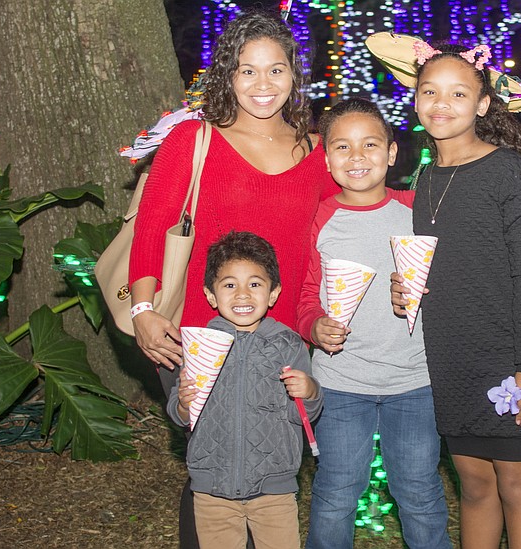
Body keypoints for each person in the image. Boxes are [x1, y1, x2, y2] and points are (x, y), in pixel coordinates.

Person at [126, 11, 338, 547]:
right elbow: (150, 232)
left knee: (270, 466)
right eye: (247, 71)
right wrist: (143, 311)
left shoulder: (315, 151)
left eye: (276, 70)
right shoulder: (192, 142)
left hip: (282, 340)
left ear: (294, 75)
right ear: (228, 76)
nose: (262, 85)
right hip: (201, 338)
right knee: (214, 464)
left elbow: (350, 216)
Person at [387, 42, 521, 548]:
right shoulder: (424, 179)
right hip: (453, 357)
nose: (441, 104)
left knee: (517, 484)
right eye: (430, 92)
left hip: (513, 354)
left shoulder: (506, 170)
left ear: (482, 105)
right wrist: (407, 289)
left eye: (457, 94)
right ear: (416, 99)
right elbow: (442, 263)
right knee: (475, 485)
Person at [296, 98, 451, 549]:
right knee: (337, 492)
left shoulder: (417, 210)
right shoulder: (320, 219)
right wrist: (314, 325)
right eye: (342, 147)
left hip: (415, 381)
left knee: (419, 491)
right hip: (342, 381)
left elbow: (456, 273)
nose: (357, 156)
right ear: (326, 159)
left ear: (391, 152)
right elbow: (306, 294)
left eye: (369, 145)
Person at [167, 231, 322, 549]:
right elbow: (180, 414)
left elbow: (301, 414)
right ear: (211, 295)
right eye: (229, 285)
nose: (242, 295)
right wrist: (183, 404)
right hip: (212, 488)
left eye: (254, 284)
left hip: (274, 487)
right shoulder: (200, 343)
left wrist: (309, 392)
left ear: (273, 292)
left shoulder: (287, 344)